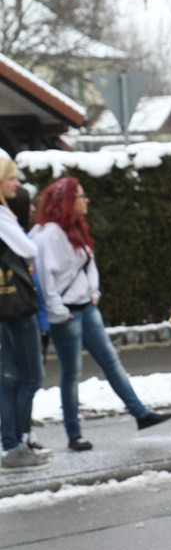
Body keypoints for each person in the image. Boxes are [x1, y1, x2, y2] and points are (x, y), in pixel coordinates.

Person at [32, 177, 171, 451]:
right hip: (67, 314)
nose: (86, 201)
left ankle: (141, 414)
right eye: (81, 196)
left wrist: (93, 291)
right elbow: (44, 277)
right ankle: (74, 434)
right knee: (71, 373)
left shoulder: (74, 228)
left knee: (110, 361)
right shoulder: (49, 234)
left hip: (86, 306)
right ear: (66, 201)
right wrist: (58, 312)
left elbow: (89, 263)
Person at [0, 159, 48, 470]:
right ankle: (14, 445)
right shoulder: (2, 215)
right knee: (30, 376)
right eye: (12, 178)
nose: (17, 185)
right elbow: (29, 249)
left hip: (6, 305)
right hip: (16, 305)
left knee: (10, 376)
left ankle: (15, 443)